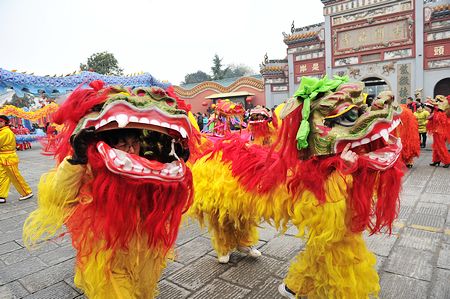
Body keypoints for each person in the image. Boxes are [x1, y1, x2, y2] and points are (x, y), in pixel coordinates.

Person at [0, 115, 33, 203]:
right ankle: (1, 195)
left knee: (15, 176)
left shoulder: (5, 132)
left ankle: (27, 192)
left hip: (8, 157)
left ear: (5, 122)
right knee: (3, 176)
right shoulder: (2, 131)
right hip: (3, 157)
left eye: (1, 121)